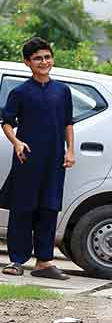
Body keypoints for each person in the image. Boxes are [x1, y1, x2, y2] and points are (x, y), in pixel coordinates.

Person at [1, 37, 75, 280]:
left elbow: (68, 123)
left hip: (54, 161)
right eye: (37, 58)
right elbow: (8, 123)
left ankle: (44, 262)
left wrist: (70, 150)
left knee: (49, 208)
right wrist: (17, 142)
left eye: (47, 57)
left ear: (52, 59)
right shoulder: (20, 92)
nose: (44, 62)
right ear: (27, 62)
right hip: (27, 159)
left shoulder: (62, 91)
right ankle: (16, 260)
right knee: (23, 208)